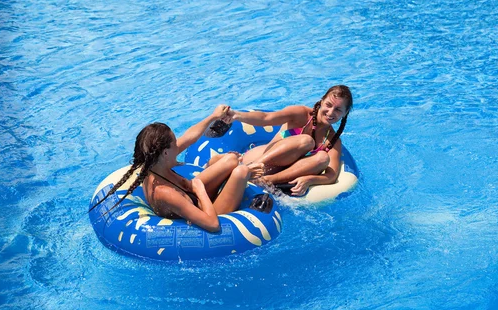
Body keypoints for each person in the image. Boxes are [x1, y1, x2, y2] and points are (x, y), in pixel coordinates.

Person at [89, 105, 263, 232]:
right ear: (165, 153)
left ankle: (225, 170)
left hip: (191, 196)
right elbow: (212, 224)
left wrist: (213, 116)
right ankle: (243, 176)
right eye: (174, 143)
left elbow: (189, 136)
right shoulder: (165, 193)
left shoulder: (154, 163)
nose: (178, 145)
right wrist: (200, 190)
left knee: (231, 160)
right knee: (241, 172)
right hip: (206, 212)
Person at [222, 85, 353, 196]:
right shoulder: (301, 114)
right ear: (322, 101)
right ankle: (251, 168)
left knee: (323, 158)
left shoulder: (333, 140)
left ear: (345, 113)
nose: (330, 112)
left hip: (272, 176)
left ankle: (266, 181)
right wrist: (236, 115)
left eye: (338, 110)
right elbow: (266, 118)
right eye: (328, 105)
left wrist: (310, 179)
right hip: (255, 161)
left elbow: (332, 175)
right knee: (306, 141)